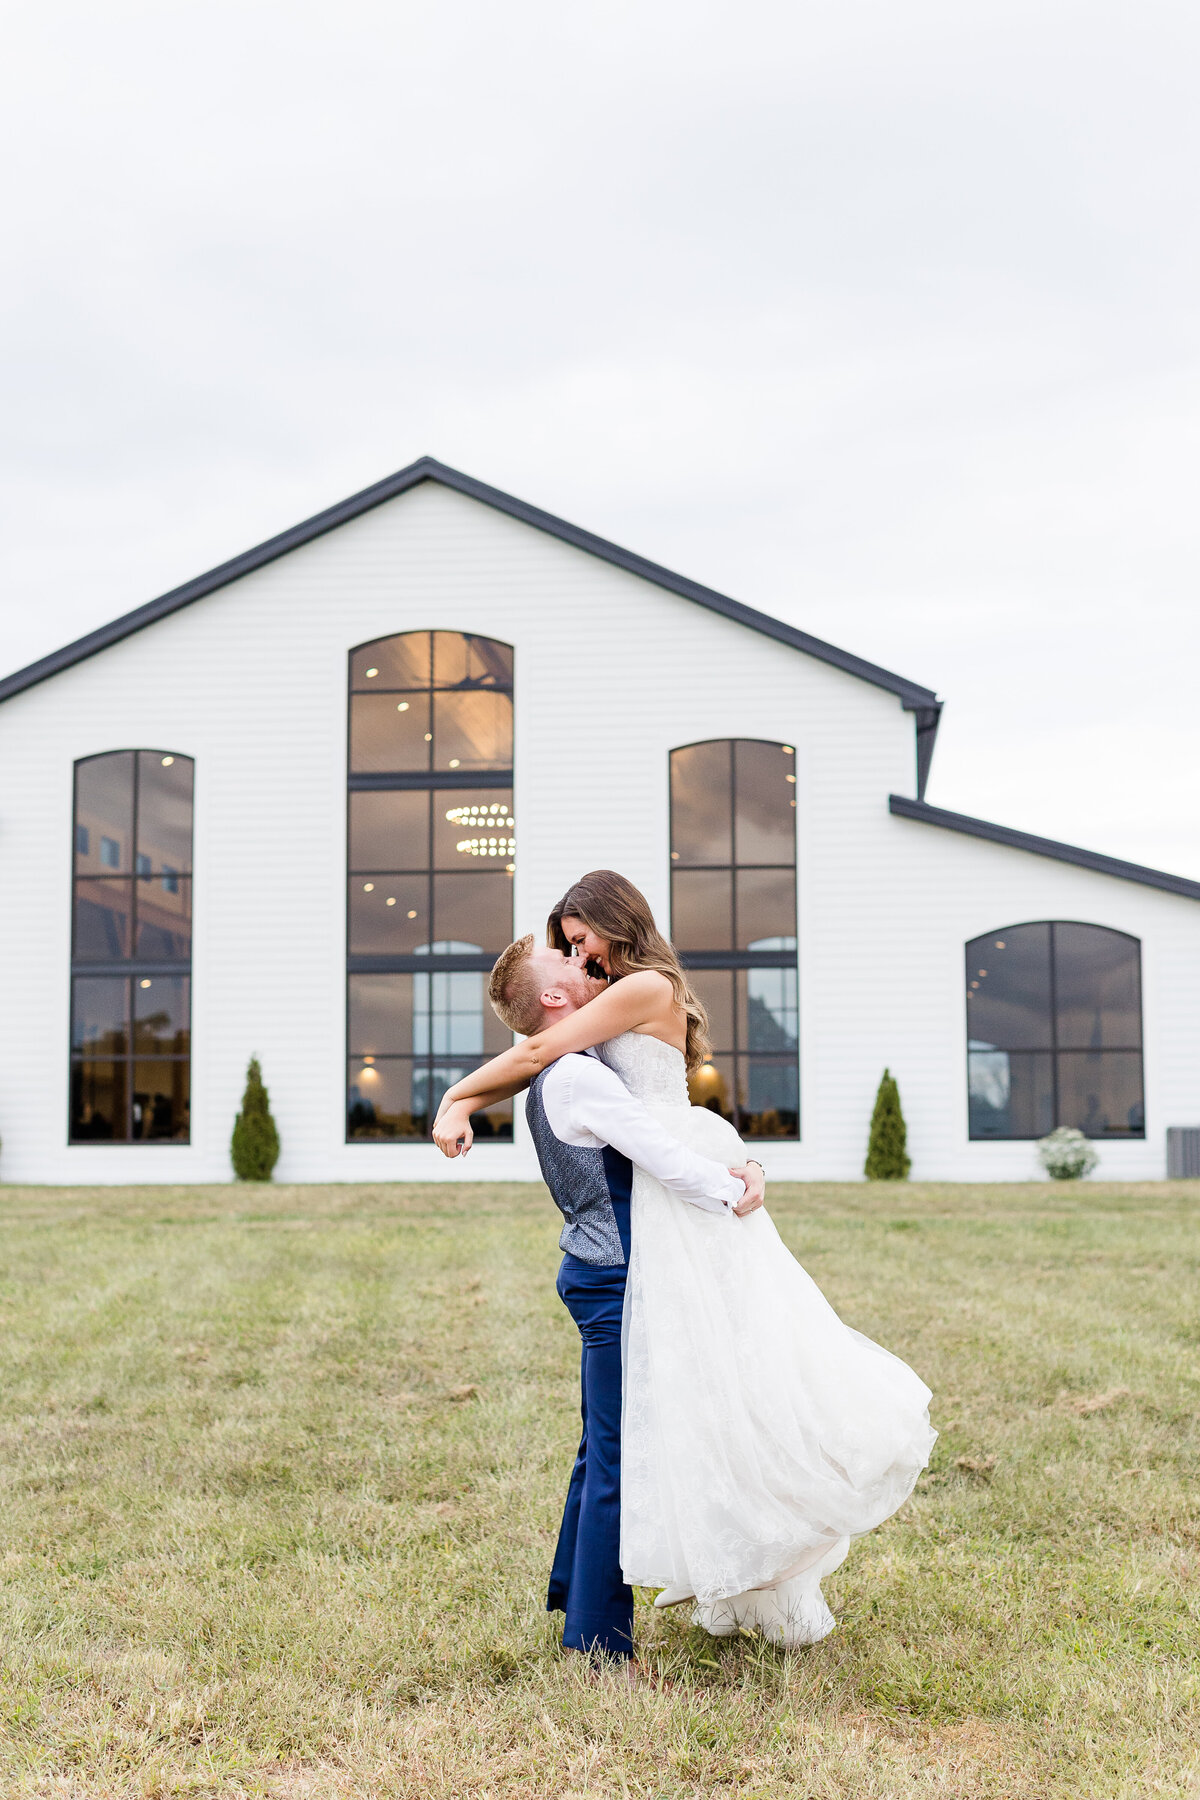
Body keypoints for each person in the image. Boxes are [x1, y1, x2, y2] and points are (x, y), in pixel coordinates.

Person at [434, 871, 937, 1647]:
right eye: (567, 948)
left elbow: (544, 1050)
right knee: (632, 1433)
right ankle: (597, 1627)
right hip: (653, 1214)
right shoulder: (595, 1032)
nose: (580, 954)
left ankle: (622, 1596)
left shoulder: (639, 991)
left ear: (613, 921)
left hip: (670, 1205)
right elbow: (544, 1049)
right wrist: (462, 1099)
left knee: (690, 1403)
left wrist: (454, 1097)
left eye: (582, 939)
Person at [464, 936, 763, 1665]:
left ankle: (576, 1592)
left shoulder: (570, 1069)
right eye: (566, 964)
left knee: (597, 1446)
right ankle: (599, 1646)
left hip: (597, 1267)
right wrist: (742, 1187)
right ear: (555, 1002)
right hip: (614, 1275)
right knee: (618, 1457)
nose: (582, 964)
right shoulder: (579, 1078)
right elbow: (664, 1161)